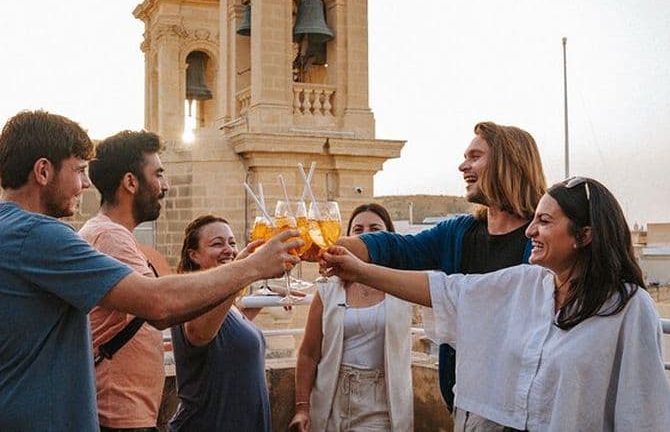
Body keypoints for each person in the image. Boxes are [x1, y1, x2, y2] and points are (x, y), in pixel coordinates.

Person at [0, 110, 302, 431]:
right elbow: (159, 305)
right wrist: (253, 267)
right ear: (43, 171)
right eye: (77, 170)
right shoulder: (37, 234)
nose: (85, 184)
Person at [324, 177, 670, 431]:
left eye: (545, 221)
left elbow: (642, 414)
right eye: (533, 218)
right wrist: (360, 270)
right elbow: (447, 291)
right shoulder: (526, 283)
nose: (529, 231)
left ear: (585, 235)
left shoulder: (628, 307)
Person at [335, 121, 546, 407]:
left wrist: (359, 269)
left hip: (524, 403)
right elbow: (398, 248)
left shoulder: (542, 239)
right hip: (465, 400)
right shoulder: (456, 233)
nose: (462, 166)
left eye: (475, 156)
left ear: (508, 163)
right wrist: (329, 246)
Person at [290, 203, 413, 432]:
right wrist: (302, 408)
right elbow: (308, 352)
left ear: (389, 236)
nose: (366, 236)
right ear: (347, 237)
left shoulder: (403, 286)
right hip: (331, 398)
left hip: (381, 403)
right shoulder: (329, 289)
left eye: (375, 228)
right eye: (358, 230)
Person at [79, 130, 170, 432]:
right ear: (130, 182)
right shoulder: (110, 236)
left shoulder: (106, 233)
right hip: (119, 418)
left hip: (126, 415)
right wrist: (249, 269)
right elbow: (161, 307)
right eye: (158, 174)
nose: (164, 186)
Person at [168, 215, 274, 432]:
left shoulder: (226, 304)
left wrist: (271, 292)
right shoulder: (191, 300)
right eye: (218, 244)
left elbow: (229, 329)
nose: (229, 249)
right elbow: (200, 331)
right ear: (194, 255)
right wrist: (247, 270)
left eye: (232, 243)